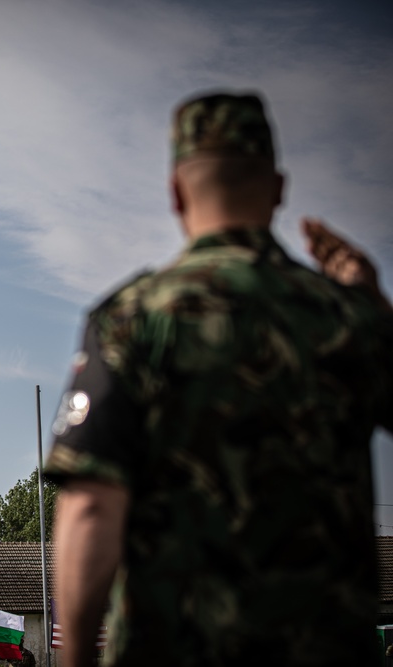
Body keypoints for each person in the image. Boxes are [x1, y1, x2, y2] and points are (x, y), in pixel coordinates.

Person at [45, 91, 392, 667]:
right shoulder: (344, 318)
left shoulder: (134, 319)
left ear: (175, 191)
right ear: (278, 189)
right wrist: (376, 306)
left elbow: (91, 507)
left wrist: (76, 655)